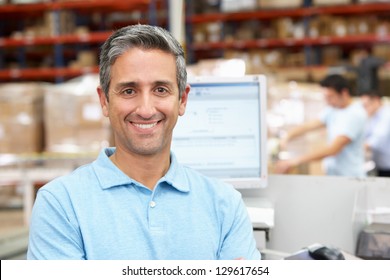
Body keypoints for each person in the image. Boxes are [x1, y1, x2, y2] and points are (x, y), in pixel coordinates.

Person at [27, 24, 260, 260]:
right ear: (105, 101)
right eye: (129, 91)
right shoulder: (61, 205)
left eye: (160, 89)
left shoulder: (225, 205)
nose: (146, 110)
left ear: (183, 99)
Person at [275, 74, 367, 177]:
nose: (327, 100)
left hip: (351, 177)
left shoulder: (355, 114)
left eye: (330, 96)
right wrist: (288, 136)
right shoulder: (333, 109)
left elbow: (333, 149)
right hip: (335, 175)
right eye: (325, 96)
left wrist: (294, 161)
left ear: (344, 93)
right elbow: (310, 125)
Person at [361, 91, 390, 177]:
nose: (365, 108)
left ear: (376, 100)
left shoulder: (387, 115)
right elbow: (365, 135)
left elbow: (377, 139)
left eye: (366, 105)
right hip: (380, 164)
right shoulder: (374, 116)